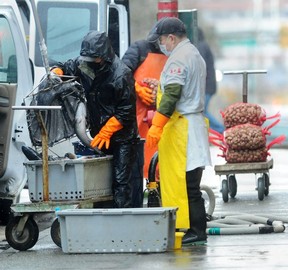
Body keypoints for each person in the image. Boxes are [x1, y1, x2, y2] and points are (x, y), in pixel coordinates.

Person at [52, 30, 139, 208]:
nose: (90, 63)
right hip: (98, 135)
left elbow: (127, 110)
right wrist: (56, 71)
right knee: (100, 180)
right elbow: (68, 66)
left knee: (121, 181)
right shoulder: (84, 64)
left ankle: (122, 219)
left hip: (123, 139)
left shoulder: (122, 74)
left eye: (94, 60)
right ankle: (101, 218)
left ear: (104, 56)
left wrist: (108, 131)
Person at [146, 17, 212, 245]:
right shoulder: (192, 53)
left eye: (162, 40)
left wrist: (157, 125)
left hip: (184, 130)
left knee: (188, 185)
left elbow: (173, 95)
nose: (161, 44)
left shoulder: (179, 58)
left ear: (171, 37)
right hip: (189, 126)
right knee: (189, 183)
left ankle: (195, 231)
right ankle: (194, 229)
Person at [122, 20, 167, 180]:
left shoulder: (174, 55)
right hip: (139, 114)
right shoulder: (139, 48)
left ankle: (158, 184)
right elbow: (122, 72)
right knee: (140, 153)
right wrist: (136, 88)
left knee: (161, 154)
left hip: (163, 112)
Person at [197, 27, 224, 134]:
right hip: (209, 86)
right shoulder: (204, 45)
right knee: (203, 111)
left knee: (202, 111)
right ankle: (219, 130)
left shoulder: (201, 47)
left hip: (206, 86)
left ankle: (220, 130)